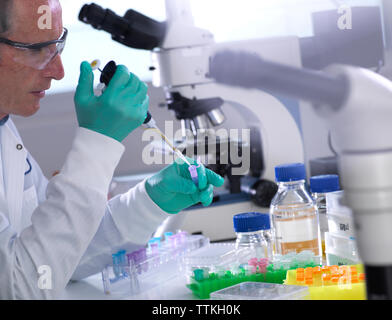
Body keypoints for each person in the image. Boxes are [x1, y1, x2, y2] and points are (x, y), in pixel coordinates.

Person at [0, 0, 224, 299]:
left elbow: (60, 255)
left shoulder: (5, 132)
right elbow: (21, 289)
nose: (58, 71)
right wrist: (96, 144)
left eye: (57, 46)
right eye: (36, 49)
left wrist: (148, 202)